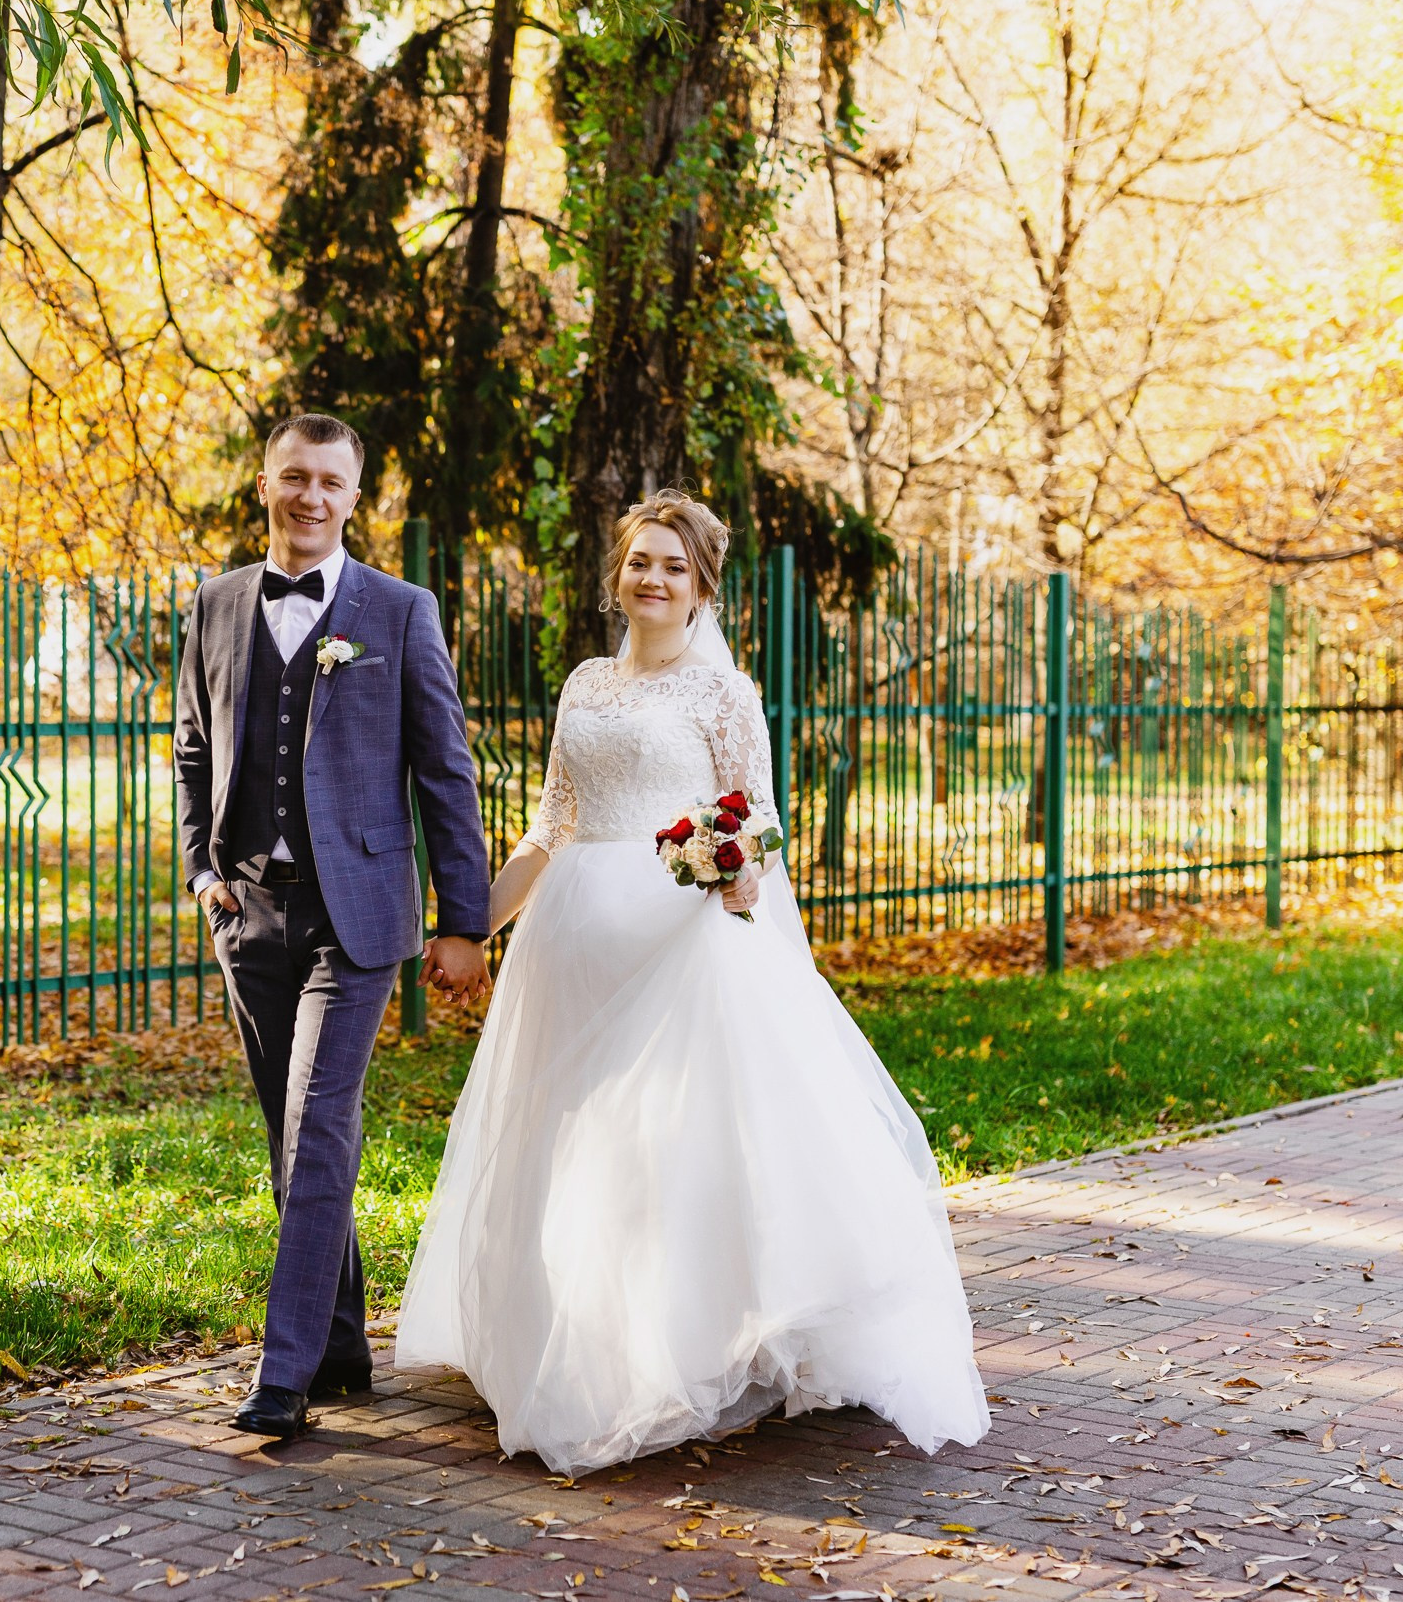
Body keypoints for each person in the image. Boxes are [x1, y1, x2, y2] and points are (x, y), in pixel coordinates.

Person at [394, 489, 989, 1475]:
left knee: (659, 1149)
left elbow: (751, 817)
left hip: (678, 940)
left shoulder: (725, 693)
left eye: (673, 565)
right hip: (571, 946)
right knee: (565, 1137)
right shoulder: (584, 682)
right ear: (617, 573)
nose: (653, 579)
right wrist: (469, 926)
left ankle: (663, 1355)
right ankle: (552, 1340)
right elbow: (554, 824)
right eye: (640, 562)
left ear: (701, 584)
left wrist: (741, 870)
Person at [173, 413, 492, 1443]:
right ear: (264, 483)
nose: (311, 497)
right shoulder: (216, 603)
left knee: (318, 1130)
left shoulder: (399, 612)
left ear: (357, 497)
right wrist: (199, 874)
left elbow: (445, 770)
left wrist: (465, 920)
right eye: (294, 477)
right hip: (247, 917)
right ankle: (345, 1342)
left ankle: (286, 1370)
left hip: (356, 922)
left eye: (332, 483)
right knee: (290, 1142)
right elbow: (190, 748)